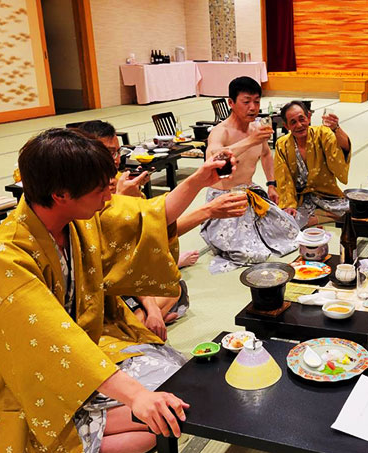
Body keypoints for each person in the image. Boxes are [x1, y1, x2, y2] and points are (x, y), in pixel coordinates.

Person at [0, 128, 228, 453]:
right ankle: (54, 443)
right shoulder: (4, 257)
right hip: (30, 381)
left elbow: (146, 219)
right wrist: (136, 396)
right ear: (61, 194)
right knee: (153, 420)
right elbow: (53, 339)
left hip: (81, 359)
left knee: (174, 394)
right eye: (100, 189)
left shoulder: (78, 218)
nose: (109, 195)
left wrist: (200, 180)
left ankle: (89, 431)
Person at [76, 121, 246, 340]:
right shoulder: (88, 196)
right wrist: (206, 206)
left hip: (131, 278)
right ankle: (139, 325)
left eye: (117, 152)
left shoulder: (121, 181)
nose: (116, 160)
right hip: (101, 290)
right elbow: (121, 258)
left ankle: (143, 321)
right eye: (108, 152)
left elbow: (156, 230)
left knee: (174, 287)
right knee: (153, 302)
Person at [200, 77, 300, 273]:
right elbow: (214, 158)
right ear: (231, 103)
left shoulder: (256, 128)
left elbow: (266, 155)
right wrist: (250, 141)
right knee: (249, 254)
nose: (253, 107)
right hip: (225, 200)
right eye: (246, 102)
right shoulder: (221, 132)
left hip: (250, 193)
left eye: (256, 101)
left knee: (291, 233)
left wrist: (271, 184)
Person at [273, 100, 353, 227]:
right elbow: (284, 179)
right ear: (286, 126)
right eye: (293, 122)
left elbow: (343, 150)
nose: (299, 125)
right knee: (283, 221)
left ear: (309, 117)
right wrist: (288, 205)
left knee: (357, 210)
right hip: (299, 200)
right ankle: (321, 217)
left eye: (302, 119)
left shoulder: (322, 134)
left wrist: (336, 128)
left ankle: (316, 218)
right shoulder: (282, 145)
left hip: (327, 196)